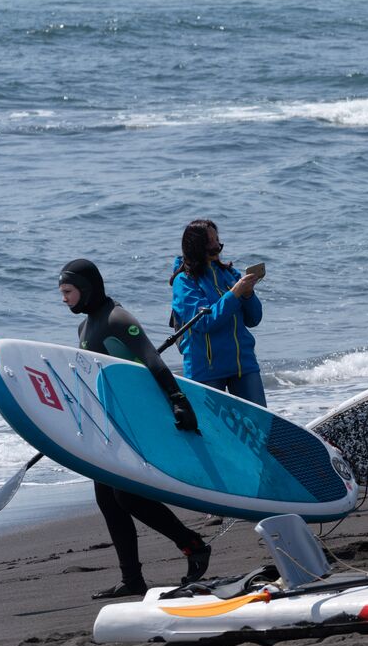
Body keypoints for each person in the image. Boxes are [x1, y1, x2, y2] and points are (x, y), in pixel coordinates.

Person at [58, 258, 211, 599]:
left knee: (127, 495)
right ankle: (132, 579)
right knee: (107, 499)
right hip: (109, 423)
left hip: (135, 423)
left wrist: (178, 400)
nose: (64, 298)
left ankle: (192, 544)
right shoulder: (84, 328)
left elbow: (151, 360)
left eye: (68, 291)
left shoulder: (117, 318)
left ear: (86, 289)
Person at [170, 219, 265, 407]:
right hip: (206, 370)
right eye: (209, 241)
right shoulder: (184, 282)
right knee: (211, 432)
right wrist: (234, 293)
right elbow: (204, 322)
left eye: (217, 239)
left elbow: (254, 319)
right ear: (195, 246)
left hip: (243, 365)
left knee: (259, 428)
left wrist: (247, 295)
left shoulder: (231, 274)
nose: (217, 245)